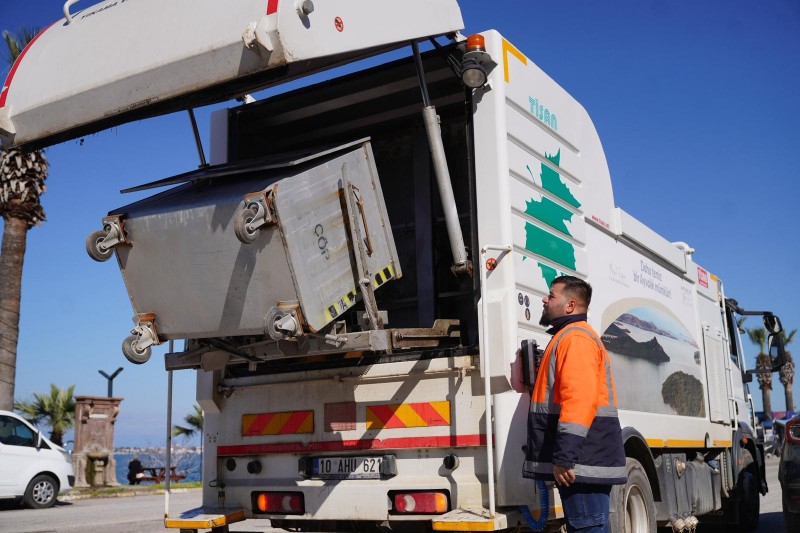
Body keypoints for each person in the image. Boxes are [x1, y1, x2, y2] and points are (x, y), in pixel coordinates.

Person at [522, 275, 626, 532]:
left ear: (570, 305)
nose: (545, 300)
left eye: (551, 295)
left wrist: (565, 458)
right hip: (582, 462)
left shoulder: (575, 339)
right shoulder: (569, 337)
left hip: (580, 463)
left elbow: (579, 401)